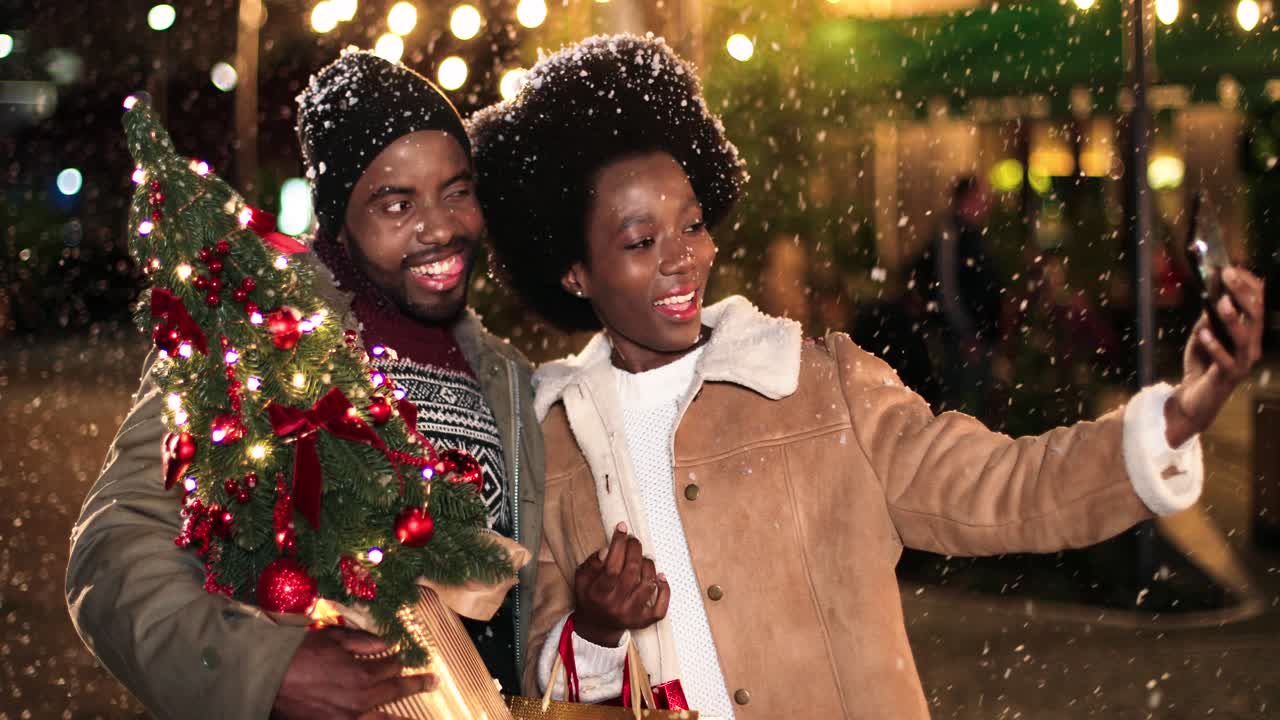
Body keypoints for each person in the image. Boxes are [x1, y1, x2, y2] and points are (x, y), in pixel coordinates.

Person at [467, 34, 1266, 719]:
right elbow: (544, 676)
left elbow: (1013, 488)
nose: (683, 257)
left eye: (694, 224)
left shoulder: (821, 386)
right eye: (642, 242)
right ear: (574, 270)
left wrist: (1185, 410)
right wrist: (597, 629)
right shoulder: (551, 442)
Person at [66, 51, 544, 719]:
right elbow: (116, 548)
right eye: (397, 203)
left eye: (457, 192)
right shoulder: (254, 339)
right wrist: (269, 670)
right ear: (337, 217)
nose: (440, 227)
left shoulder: (508, 378)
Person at [912, 175, 1002, 418]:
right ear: (967, 199)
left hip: (976, 338)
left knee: (974, 408)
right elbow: (947, 288)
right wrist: (966, 334)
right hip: (961, 341)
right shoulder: (951, 233)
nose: (987, 204)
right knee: (960, 409)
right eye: (982, 197)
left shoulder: (971, 234)